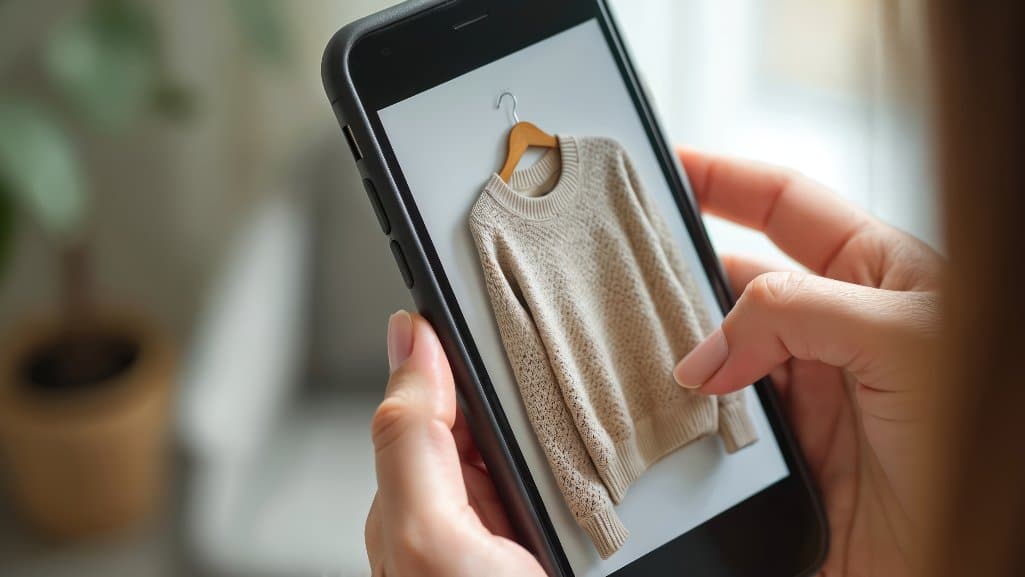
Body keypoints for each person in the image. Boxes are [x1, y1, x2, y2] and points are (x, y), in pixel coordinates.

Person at [363, 3, 1024, 576]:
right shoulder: (492, 227)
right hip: (626, 446)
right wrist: (590, 504)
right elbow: (533, 372)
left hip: (705, 411)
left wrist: (734, 410)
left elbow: (680, 283)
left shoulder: (608, 162)